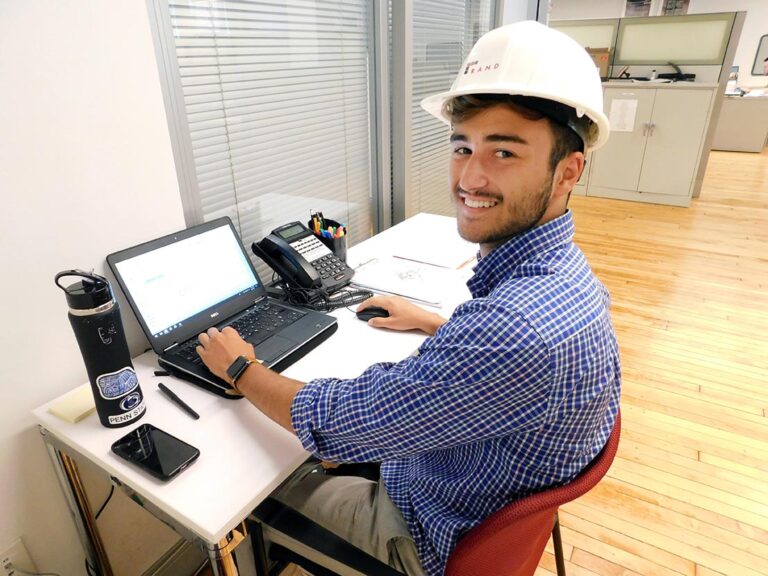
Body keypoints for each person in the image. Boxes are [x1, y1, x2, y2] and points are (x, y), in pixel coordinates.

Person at [196, 20, 620, 576]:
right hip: (470, 481)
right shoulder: (566, 278)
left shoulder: (513, 331)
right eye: (463, 147)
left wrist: (240, 369)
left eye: (504, 152)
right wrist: (434, 323)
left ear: (568, 171)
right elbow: (510, 365)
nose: (470, 178)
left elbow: (335, 419)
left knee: (251, 490)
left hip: (426, 532)